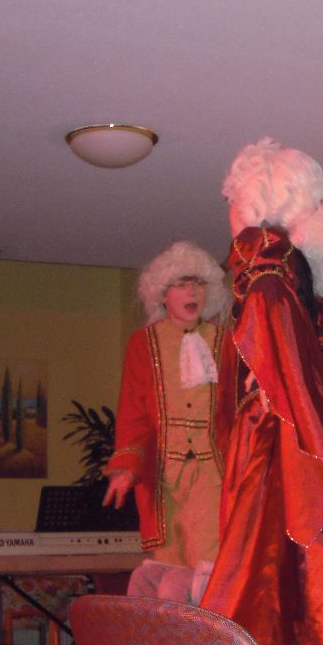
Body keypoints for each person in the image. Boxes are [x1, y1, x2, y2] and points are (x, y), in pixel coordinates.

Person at [199, 138, 323, 645]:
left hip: (275, 463)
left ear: (255, 204)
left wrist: (287, 456)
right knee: (295, 595)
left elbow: (279, 386)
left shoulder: (266, 279)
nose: (229, 213)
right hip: (284, 456)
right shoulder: (290, 280)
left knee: (257, 587)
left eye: (233, 200)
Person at [102, 241, 236, 602]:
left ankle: (210, 633)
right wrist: (125, 467)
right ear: (163, 294)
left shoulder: (226, 343)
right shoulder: (143, 343)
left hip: (213, 474)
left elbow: (236, 413)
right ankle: (173, 635)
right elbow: (134, 412)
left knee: (210, 563)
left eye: (198, 283)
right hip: (164, 479)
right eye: (181, 284)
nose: (192, 292)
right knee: (170, 571)